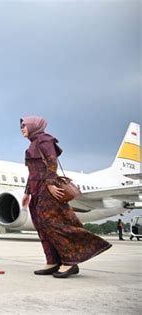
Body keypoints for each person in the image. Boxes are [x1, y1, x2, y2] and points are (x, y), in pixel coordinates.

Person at [20, 116, 112, 278]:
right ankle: (53, 261)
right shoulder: (33, 144)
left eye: (24, 125)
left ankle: (70, 262)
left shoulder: (44, 140)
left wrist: (49, 184)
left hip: (47, 189)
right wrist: (27, 192)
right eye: (21, 126)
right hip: (36, 190)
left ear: (34, 126)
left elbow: (52, 161)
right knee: (41, 225)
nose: (22, 129)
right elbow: (32, 173)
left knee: (53, 223)